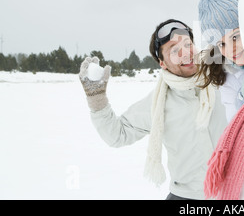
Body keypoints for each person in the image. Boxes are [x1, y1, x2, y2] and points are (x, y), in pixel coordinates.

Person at [79, 19, 227, 200]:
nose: (186, 52)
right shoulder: (158, 103)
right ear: (162, 63)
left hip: (237, 192)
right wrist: (97, 99)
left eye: (188, 44)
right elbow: (117, 134)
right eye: (174, 49)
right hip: (186, 196)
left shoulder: (223, 80)